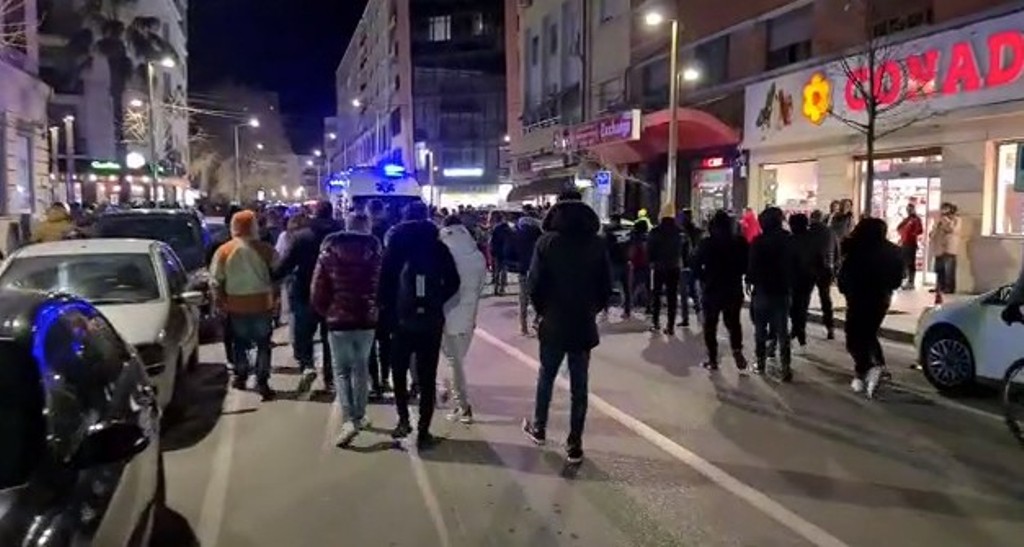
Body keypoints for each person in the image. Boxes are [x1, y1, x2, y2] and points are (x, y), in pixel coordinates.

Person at [522, 199, 612, 465]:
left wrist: (543, 311)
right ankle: (575, 443)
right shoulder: (596, 244)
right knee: (579, 386)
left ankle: (539, 427)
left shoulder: (546, 243)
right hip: (583, 322)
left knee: (546, 376)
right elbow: (605, 285)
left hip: (554, 321)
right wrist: (591, 309)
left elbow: (535, 284)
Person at [379, 201, 460, 449]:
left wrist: (389, 308)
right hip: (431, 321)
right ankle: (424, 430)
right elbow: (454, 282)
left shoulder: (395, 245)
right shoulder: (438, 246)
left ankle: (403, 419)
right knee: (427, 376)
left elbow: (384, 282)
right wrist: (436, 301)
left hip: (400, 320)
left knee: (399, 371)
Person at [310, 212, 381, 447]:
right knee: (361, 367)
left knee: (341, 371)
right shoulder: (375, 253)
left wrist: (327, 311)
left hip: (338, 319)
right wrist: (376, 309)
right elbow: (382, 285)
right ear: (367, 227)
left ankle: (349, 419)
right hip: (366, 319)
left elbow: (317, 288)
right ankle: (359, 415)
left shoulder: (329, 252)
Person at [210, 210, 278, 401]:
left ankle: (241, 376)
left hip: (236, 304)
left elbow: (215, 280)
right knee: (263, 344)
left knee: (239, 343)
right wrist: (276, 296)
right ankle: (262, 381)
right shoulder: (266, 250)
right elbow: (279, 273)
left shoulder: (224, 250)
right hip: (262, 303)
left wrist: (219, 301)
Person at [274, 201, 342, 392]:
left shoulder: (301, 237)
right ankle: (330, 376)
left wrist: (273, 276)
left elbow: (286, 264)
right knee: (330, 338)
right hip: (334, 293)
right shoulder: (341, 236)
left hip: (306, 291)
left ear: (314, 213)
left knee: (304, 333)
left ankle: (307, 365)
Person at [838, 218, 904, 398]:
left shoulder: (856, 248)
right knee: (868, 333)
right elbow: (897, 279)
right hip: (881, 298)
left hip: (859, 297)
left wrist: (845, 287)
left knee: (854, 337)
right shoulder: (893, 251)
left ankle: (867, 368)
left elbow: (845, 273)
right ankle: (876, 368)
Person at [438, 216, 487, 424]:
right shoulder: (477, 256)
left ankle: (463, 406)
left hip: (447, 314)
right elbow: (481, 287)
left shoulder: (443, 253)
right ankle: (448, 388)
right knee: (456, 360)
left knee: (453, 361)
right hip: (469, 315)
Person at [692, 211, 748, 371]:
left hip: (712, 289)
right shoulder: (740, 242)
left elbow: (695, 265)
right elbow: (747, 264)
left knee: (710, 325)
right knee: (734, 323)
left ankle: (712, 359)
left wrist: (704, 278)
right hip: (733, 288)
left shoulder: (707, 243)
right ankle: (737, 350)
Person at [748, 207, 796, 380]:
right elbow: (795, 264)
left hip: (762, 289)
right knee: (783, 330)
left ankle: (760, 363)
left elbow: (752, 266)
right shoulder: (789, 240)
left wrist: (750, 281)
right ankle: (785, 367)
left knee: (760, 328)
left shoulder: (758, 241)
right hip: (782, 289)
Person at [367, 199, 396, 398]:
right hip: (387, 294)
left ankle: (375, 382)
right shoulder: (391, 231)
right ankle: (385, 377)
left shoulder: (365, 235)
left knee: (370, 343)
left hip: (369, 294)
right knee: (385, 342)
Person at [646, 214, 685, 335]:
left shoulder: (655, 232)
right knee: (672, 297)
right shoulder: (679, 233)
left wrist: (651, 261)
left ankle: (656, 322)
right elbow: (684, 249)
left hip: (659, 267)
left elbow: (649, 248)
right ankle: (670, 325)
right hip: (674, 266)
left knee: (657, 295)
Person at [788, 213, 818, 349]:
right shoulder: (813, 239)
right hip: (809, 277)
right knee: (802, 305)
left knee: (795, 306)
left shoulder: (791, 240)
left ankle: (798, 332)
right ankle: (798, 332)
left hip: (795, 278)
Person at [808, 210, 838, 339]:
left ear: (812, 219)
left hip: (809, 269)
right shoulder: (831, 232)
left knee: (803, 297)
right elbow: (837, 251)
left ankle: (798, 327)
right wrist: (834, 268)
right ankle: (830, 327)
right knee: (825, 298)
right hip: (826, 268)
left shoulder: (808, 232)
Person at [512, 213, 543, 335]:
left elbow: (511, 252)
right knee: (539, 296)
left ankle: (523, 326)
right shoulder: (540, 235)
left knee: (523, 298)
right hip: (537, 269)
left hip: (523, 269)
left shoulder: (517, 234)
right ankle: (536, 320)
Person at [929, 202, 961, 294]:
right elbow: (933, 231)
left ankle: (949, 288)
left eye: (946, 209)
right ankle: (939, 286)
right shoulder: (939, 219)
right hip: (939, 247)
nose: (943, 211)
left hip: (949, 248)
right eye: (942, 208)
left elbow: (952, 229)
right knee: (939, 269)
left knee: (949, 270)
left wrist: (946, 220)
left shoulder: (956, 220)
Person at [678, 208, 702, 326]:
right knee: (694, 292)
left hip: (686, 265)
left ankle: (687, 318)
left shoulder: (682, 232)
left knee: (686, 293)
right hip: (694, 265)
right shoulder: (697, 231)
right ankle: (699, 316)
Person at [604, 214, 631, 319]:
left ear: (614, 221)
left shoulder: (609, 232)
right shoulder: (627, 231)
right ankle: (627, 311)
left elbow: (606, 247)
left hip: (614, 262)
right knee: (626, 288)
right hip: (625, 262)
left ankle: (605, 309)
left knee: (607, 286)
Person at [896, 203, 924, 290]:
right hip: (904, 242)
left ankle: (911, 282)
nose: (909, 211)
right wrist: (902, 236)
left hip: (911, 243)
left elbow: (920, 230)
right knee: (904, 262)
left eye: (910, 209)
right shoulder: (906, 219)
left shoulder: (916, 219)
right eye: (907, 209)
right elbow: (899, 228)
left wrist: (913, 233)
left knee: (910, 262)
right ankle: (905, 280)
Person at [488, 212, 513, 296]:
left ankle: (496, 288)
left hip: (497, 252)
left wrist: (492, 251)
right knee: (504, 271)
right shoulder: (509, 229)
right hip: (506, 252)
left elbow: (492, 241)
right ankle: (502, 288)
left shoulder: (496, 228)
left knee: (497, 270)